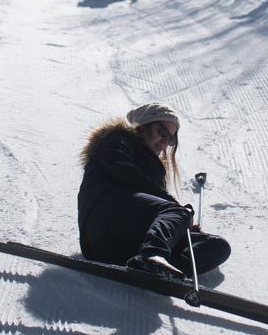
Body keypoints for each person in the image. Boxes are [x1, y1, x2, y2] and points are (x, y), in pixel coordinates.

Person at [77, 102, 230, 277]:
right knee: (177, 212)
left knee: (218, 246)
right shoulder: (118, 139)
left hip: (127, 245)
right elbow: (124, 172)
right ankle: (153, 256)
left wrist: (181, 228)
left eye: (172, 138)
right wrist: (176, 210)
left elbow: (153, 208)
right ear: (143, 126)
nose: (166, 141)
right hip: (103, 220)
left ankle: (158, 271)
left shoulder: (155, 171)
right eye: (163, 131)